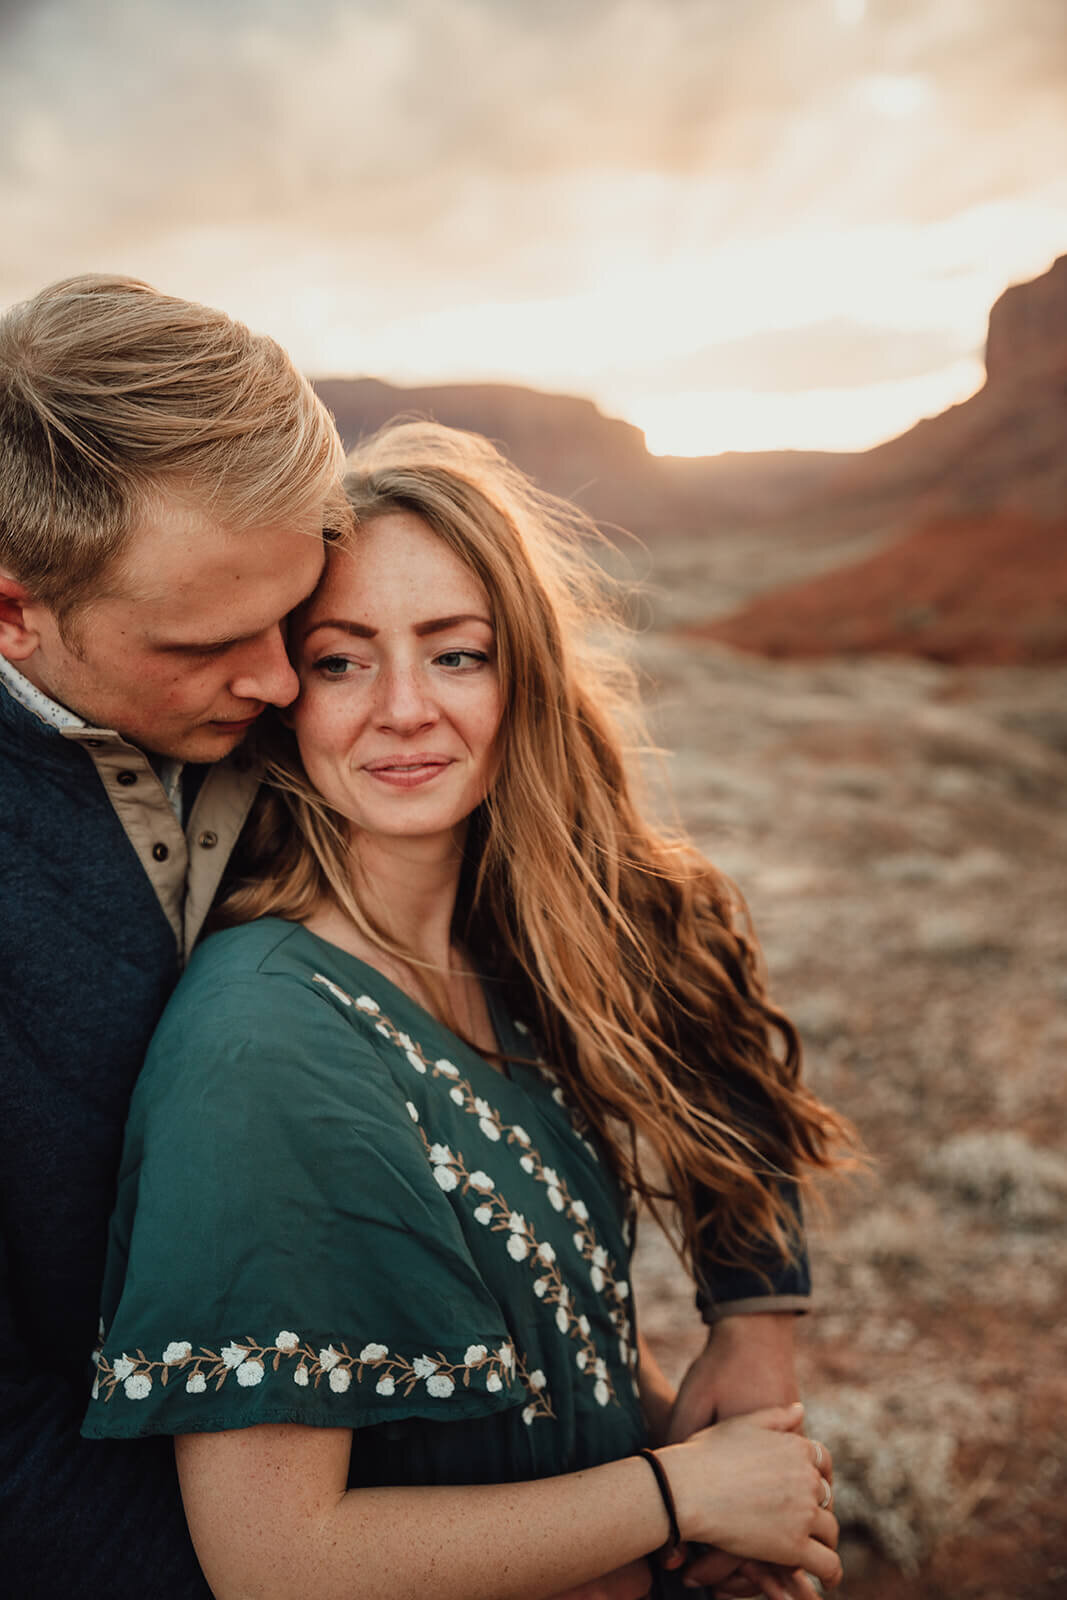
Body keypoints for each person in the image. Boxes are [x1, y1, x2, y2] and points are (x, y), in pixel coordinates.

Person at [84, 422, 852, 1600]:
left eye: (455, 654)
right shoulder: (264, 1044)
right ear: (285, 691)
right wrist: (681, 1495)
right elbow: (276, 1562)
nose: (401, 708)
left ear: (522, 677)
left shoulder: (512, 954)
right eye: (341, 660)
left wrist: (742, 1352)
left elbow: (703, 1061)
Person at [0, 273, 348, 1599]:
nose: (277, 682)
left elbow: (619, 938)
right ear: (13, 612)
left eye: (293, 615)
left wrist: (753, 1310)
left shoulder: (338, 699)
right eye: (206, 643)